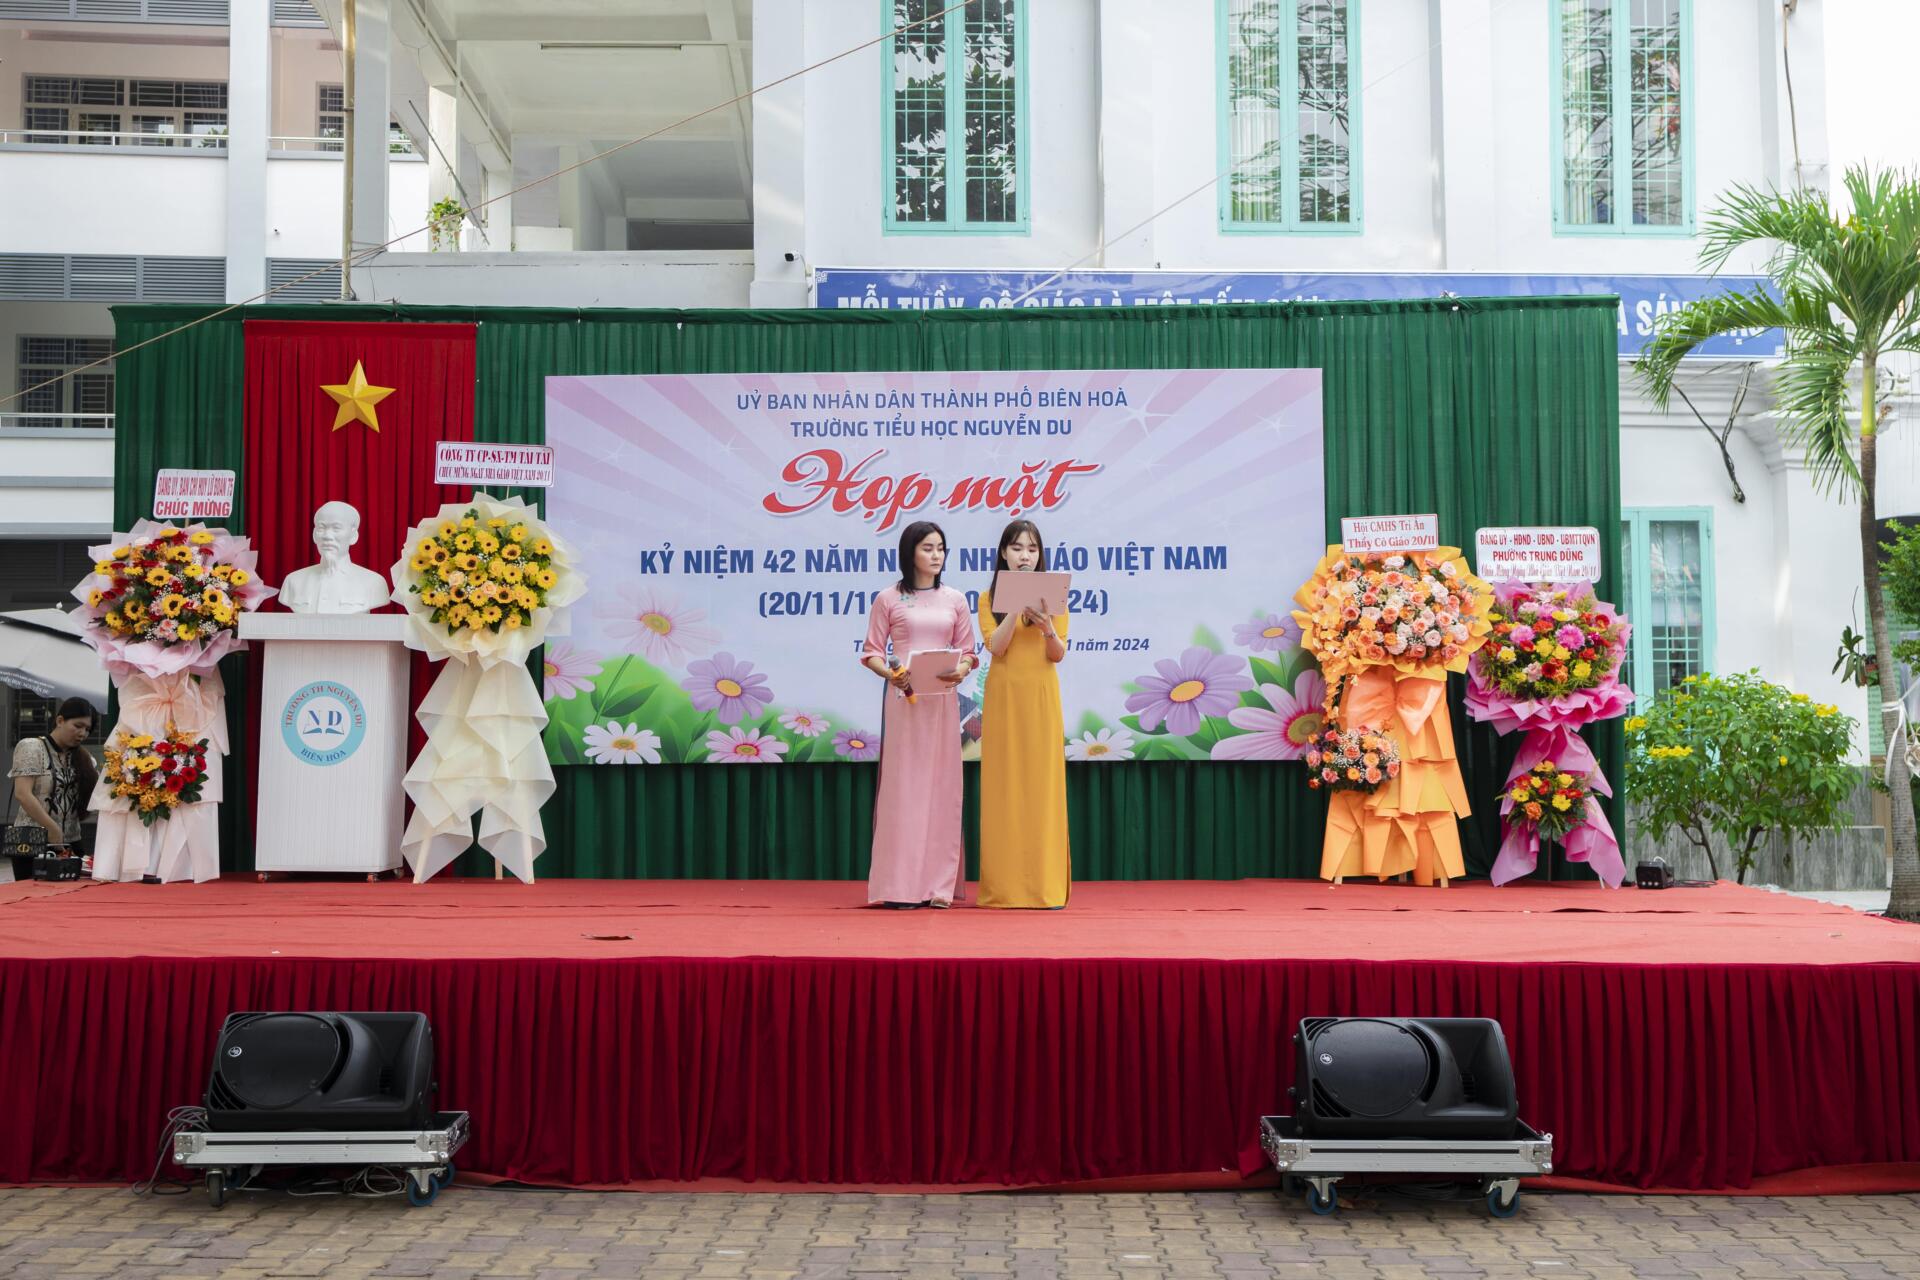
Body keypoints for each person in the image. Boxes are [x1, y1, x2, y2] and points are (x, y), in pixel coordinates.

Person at [859, 520, 977, 908]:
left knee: (942, 788)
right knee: (904, 789)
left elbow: (969, 651)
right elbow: (872, 652)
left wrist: (961, 670)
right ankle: (899, 886)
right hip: (904, 700)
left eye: (941, 548)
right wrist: (890, 673)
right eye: (928, 548)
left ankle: (937, 885)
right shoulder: (888, 598)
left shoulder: (955, 599)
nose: (936, 555)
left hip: (942, 701)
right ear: (909, 553)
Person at [977, 520, 1070, 908]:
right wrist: (1015, 606)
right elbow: (996, 647)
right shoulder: (988, 598)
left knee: (1041, 787)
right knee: (1004, 786)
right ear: (1004, 553)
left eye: (1032, 549)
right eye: (1017, 548)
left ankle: (1043, 886)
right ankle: (1004, 887)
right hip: (1004, 696)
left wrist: (1048, 627)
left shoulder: (1055, 596)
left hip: (1041, 695)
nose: (1025, 556)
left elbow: (1057, 654)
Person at [7, 697, 97, 881]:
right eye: (78, 726)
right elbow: (22, 794)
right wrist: (52, 828)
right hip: (32, 840)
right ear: (60, 720)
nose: (83, 733)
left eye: (87, 729)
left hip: (72, 841)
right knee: (32, 896)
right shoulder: (32, 747)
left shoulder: (86, 759)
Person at [279, 500, 391, 614]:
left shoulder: (374, 582)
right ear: (314, 535)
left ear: (353, 535)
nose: (327, 536)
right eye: (321, 528)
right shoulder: (293, 581)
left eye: (336, 528)